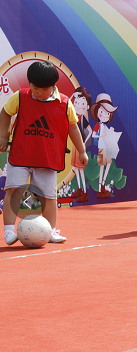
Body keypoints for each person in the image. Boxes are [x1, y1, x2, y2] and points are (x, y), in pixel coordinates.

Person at [1, 61, 87, 245]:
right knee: (14, 192)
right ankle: (8, 232)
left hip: (47, 158)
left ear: (54, 86)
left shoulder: (65, 103)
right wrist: (3, 136)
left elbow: (73, 128)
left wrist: (82, 151)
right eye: (35, 88)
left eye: (44, 90)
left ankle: (51, 231)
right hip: (20, 156)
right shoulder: (21, 96)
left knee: (48, 197)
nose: (39, 93)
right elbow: (6, 112)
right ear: (29, 83)